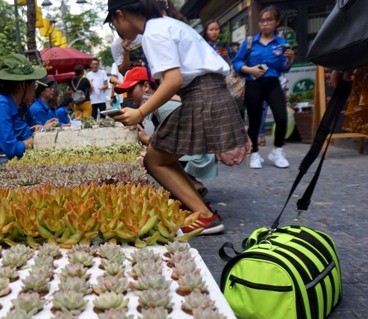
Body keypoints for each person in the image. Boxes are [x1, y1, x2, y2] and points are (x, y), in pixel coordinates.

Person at [106, 0, 249, 234]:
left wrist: (140, 112)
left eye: (113, 24)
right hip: (209, 93)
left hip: (202, 96)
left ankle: (203, 217)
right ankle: (200, 209)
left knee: (153, 160)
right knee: (161, 154)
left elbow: (173, 80)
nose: (117, 30)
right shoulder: (167, 24)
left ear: (120, 15)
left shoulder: (153, 33)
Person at [115, 66, 215, 196]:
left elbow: (174, 143)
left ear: (145, 86)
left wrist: (146, 140)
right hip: (191, 148)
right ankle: (191, 187)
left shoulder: (164, 107)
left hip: (197, 153)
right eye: (125, 92)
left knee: (150, 159)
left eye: (131, 90)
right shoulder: (156, 104)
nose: (127, 96)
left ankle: (192, 188)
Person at [232, 5, 295, 169]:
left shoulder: (282, 43)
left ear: (277, 22)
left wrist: (290, 59)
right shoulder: (250, 42)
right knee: (254, 121)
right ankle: (254, 153)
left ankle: (278, 151)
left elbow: (284, 67)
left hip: (273, 83)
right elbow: (237, 62)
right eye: (262, 21)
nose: (265, 24)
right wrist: (249, 69)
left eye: (269, 20)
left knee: (281, 117)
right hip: (254, 84)